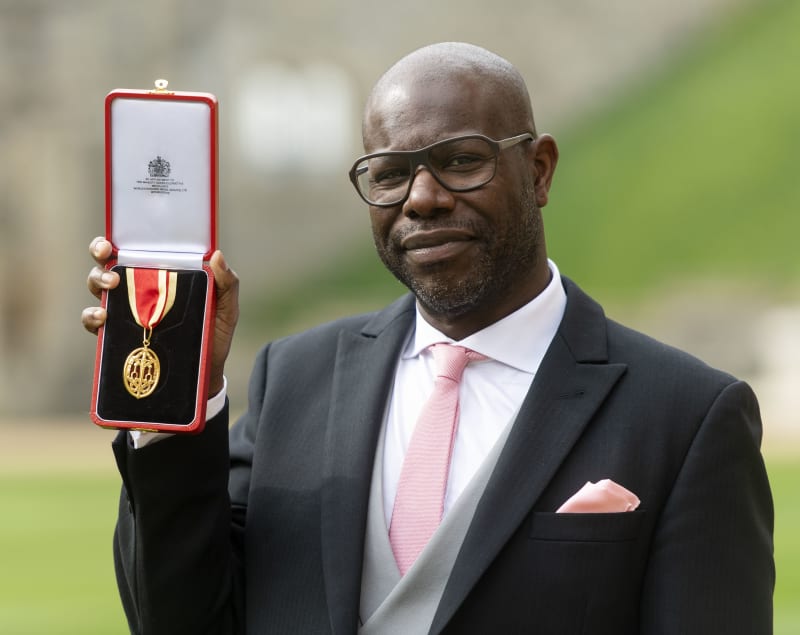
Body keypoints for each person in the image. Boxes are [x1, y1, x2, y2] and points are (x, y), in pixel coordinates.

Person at [84, 42, 774, 634]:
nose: (421, 197)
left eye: (461, 160)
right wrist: (177, 381)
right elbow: (182, 620)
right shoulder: (293, 379)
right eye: (388, 173)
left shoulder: (688, 417)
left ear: (539, 172)